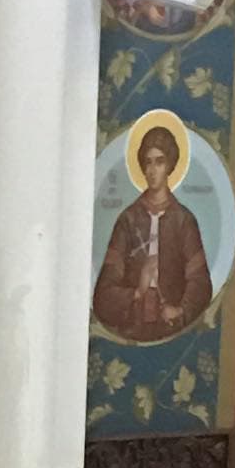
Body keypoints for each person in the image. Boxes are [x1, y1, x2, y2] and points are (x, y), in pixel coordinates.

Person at [93, 119, 217, 342]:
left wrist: (180, 310)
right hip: (132, 327)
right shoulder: (128, 221)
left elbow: (200, 283)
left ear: (170, 166)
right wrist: (137, 292)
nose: (152, 171)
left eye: (159, 162)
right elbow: (103, 296)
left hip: (173, 330)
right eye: (147, 162)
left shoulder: (183, 221)